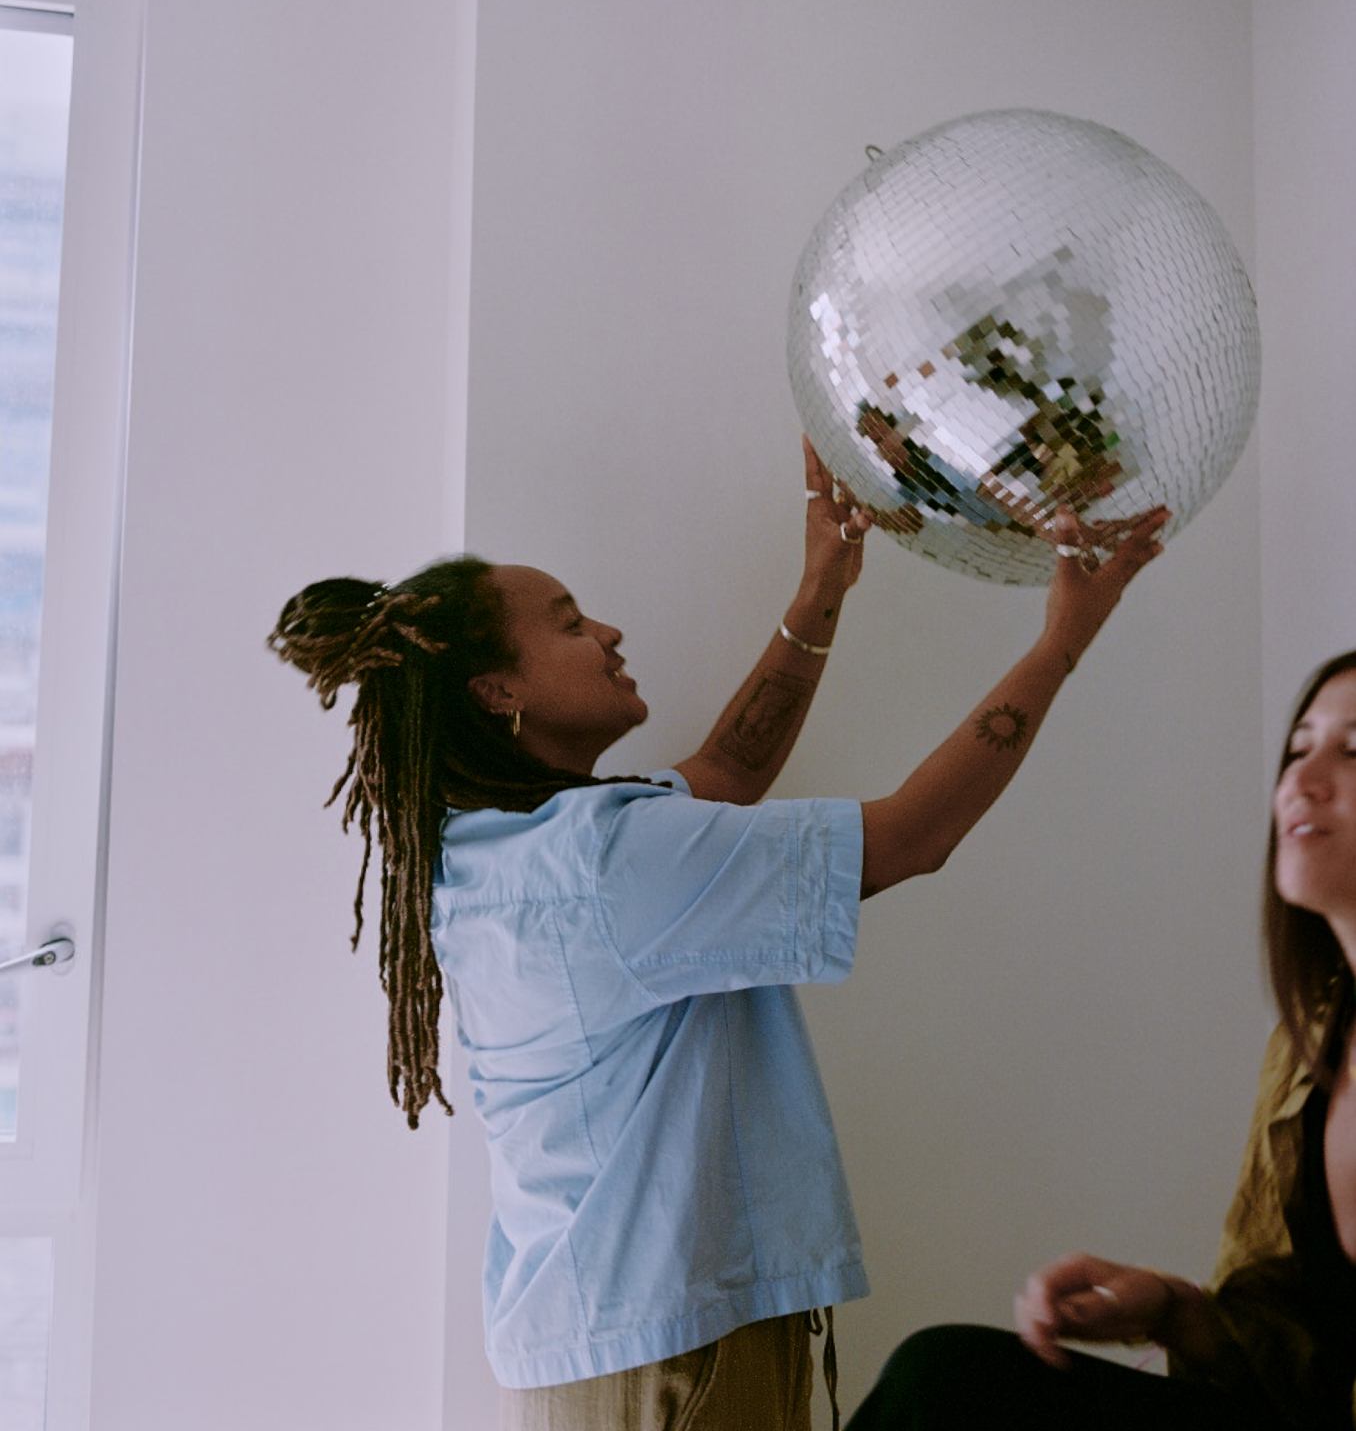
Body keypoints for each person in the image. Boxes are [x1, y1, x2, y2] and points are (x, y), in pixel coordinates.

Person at [267, 440, 1166, 1431]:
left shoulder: (503, 853)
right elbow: (914, 836)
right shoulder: (610, 865)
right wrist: (1063, 643)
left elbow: (725, 774)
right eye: (569, 623)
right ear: (496, 691)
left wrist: (823, 586)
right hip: (669, 1355)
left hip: (615, 1349)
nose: (606, 631)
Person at [846, 650, 1356, 1431]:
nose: (1301, 782)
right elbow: (1287, 1357)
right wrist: (1169, 1311)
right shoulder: (1309, 1045)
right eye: (1298, 749)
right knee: (947, 1375)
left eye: (1353, 750)